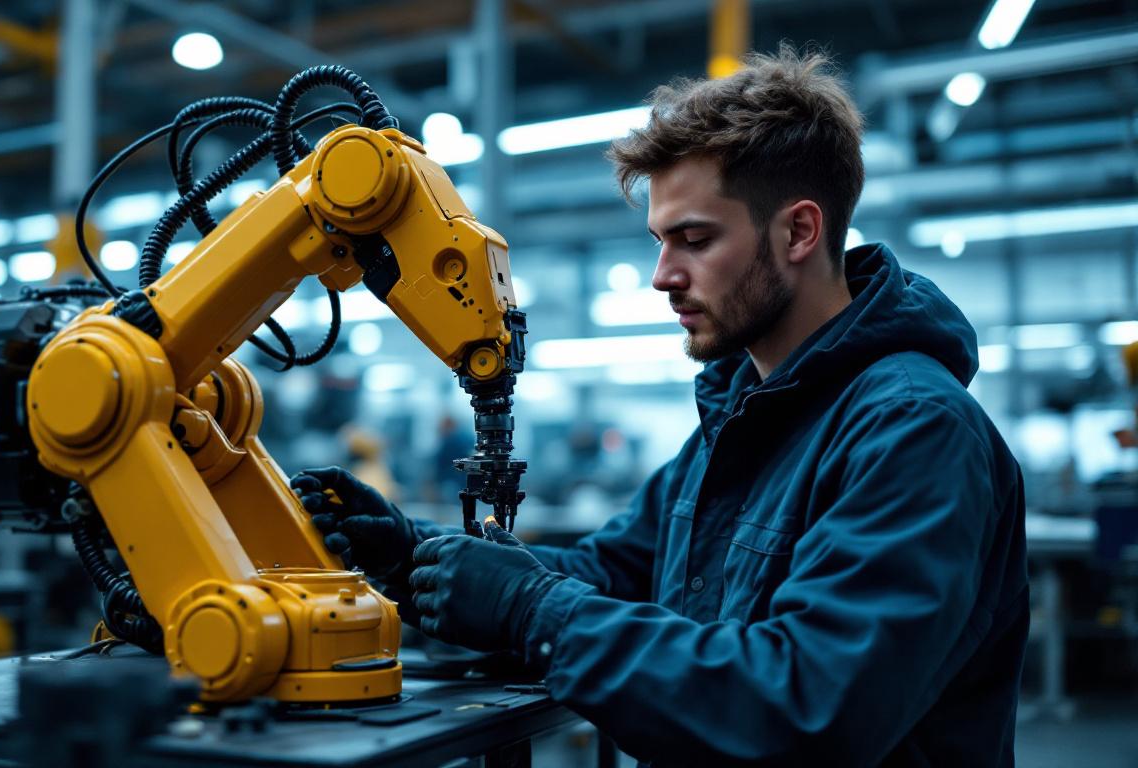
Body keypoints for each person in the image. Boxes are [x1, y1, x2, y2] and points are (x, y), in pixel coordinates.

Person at [291, 46, 1026, 766]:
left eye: (695, 239)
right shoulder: (741, 421)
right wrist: (414, 557)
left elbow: (808, 703)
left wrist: (529, 609)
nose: (662, 276)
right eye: (659, 240)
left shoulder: (912, 429)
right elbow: (610, 573)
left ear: (800, 231)